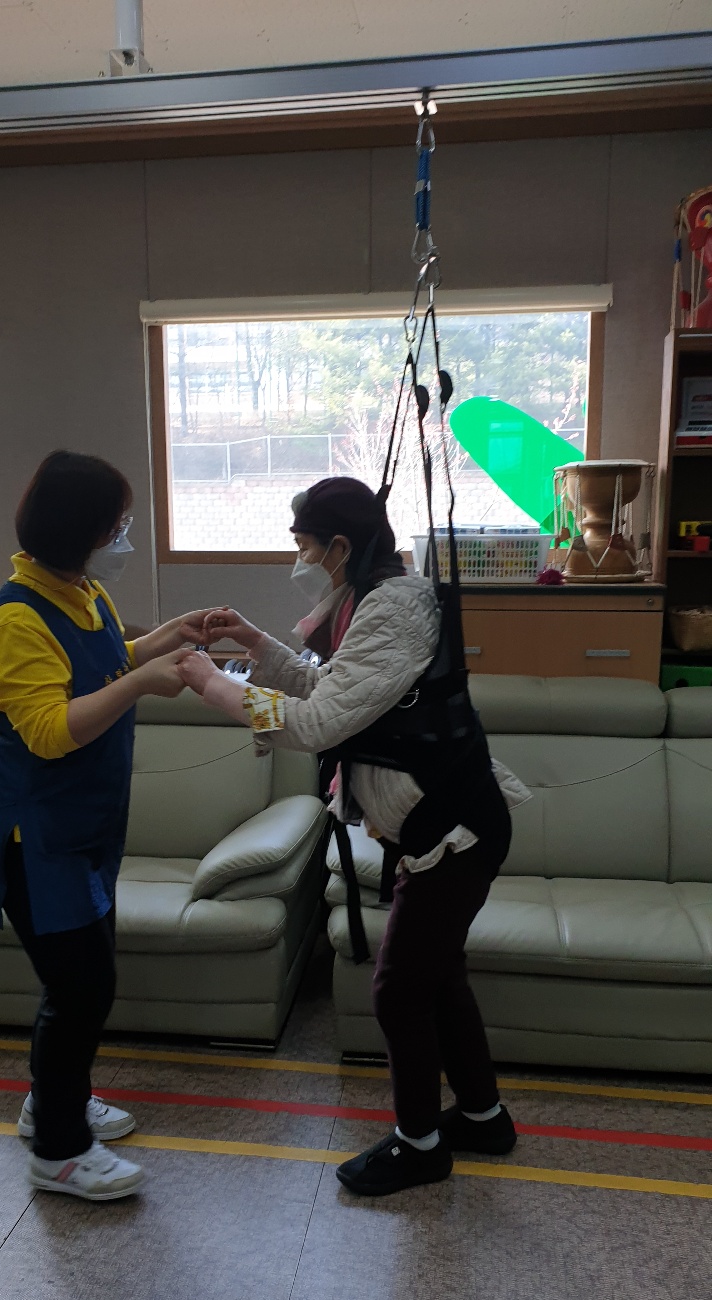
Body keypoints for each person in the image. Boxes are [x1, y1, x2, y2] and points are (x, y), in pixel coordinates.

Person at [174, 477, 529, 1198]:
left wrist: (214, 685)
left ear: (340, 545)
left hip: (455, 832)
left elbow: (316, 724)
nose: (300, 560)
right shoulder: (366, 602)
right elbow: (331, 690)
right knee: (439, 979)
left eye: (304, 546)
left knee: (399, 991)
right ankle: (484, 1118)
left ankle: (420, 1146)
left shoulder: (395, 608)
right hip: (442, 828)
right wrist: (255, 643)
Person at [0, 450, 212, 1202]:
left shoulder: (79, 591)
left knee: (84, 982)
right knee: (81, 989)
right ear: (85, 529)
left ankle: (53, 1101)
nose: (123, 537)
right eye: (117, 526)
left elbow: (98, 666)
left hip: (83, 828)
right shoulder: (16, 617)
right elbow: (48, 730)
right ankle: (59, 1150)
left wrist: (162, 640)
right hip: (32, 838)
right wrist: (141, 684)